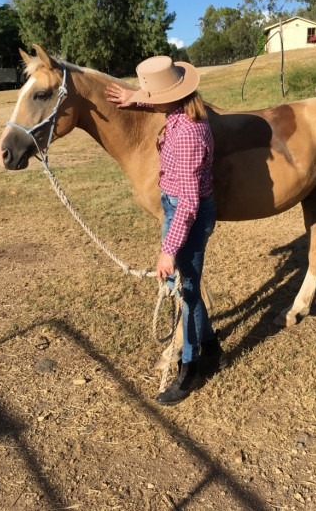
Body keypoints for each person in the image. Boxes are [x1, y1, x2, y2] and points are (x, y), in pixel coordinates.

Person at [105, 55, 225, 405]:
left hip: (187, 214)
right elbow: (160, 101)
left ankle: (190, 370)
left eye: (152, 97)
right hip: (178, 209)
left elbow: (188, 203)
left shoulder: (188, 132)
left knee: (186, 292)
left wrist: (168, 249)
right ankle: (212, 346)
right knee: (184, 287)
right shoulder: (179, 112)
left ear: (169, 97)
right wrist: (133, 99)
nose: (150, 101)